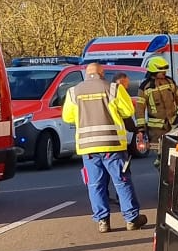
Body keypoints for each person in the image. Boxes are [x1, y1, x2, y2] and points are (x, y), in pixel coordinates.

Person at [61, 62, 148, 232]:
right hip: (112, 145)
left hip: (88, 148)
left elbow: (68, 117)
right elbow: (127, 111)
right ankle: (131, 219)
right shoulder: (113, 88)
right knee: (122, 181)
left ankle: (102, 222)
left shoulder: (73, 92)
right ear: (102, 73)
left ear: (87, 74)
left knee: (95, 184)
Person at [140, 54, 178, 138]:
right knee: (159, 149)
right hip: (156, 130)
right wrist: (141, 129)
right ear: (154, 72)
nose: (165, 73)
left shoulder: (170, 82)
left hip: (174, 125)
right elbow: (139, 109)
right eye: (162, 72)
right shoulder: (145, 87)